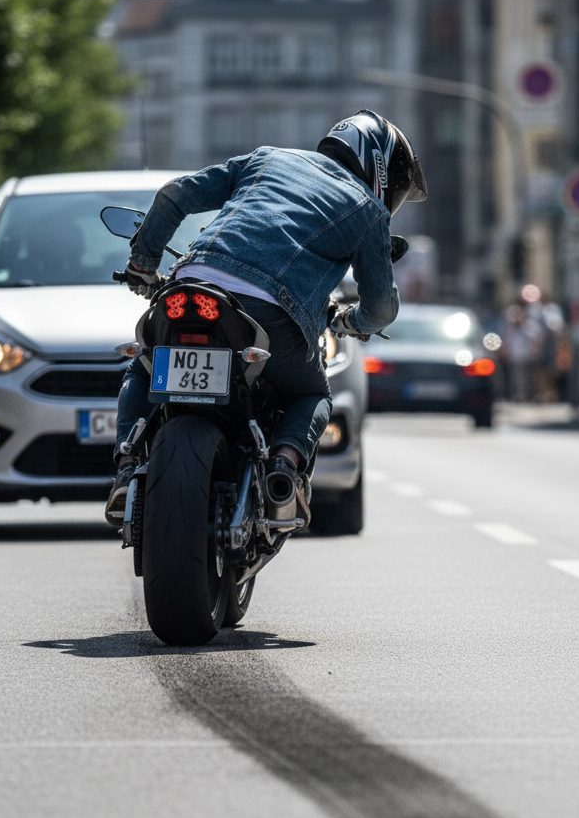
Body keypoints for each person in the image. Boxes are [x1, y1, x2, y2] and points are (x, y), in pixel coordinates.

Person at [104, 109, 427, 526]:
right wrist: (350, 323)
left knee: (143, 369)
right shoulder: (368, 211)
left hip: (191, 287)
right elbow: (381, 308)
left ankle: (127, 468)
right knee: (312, 394)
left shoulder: (266, 159)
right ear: (377, 165)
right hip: (270, 314)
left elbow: (174, 194)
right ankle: (283, 467)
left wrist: (143, 265)